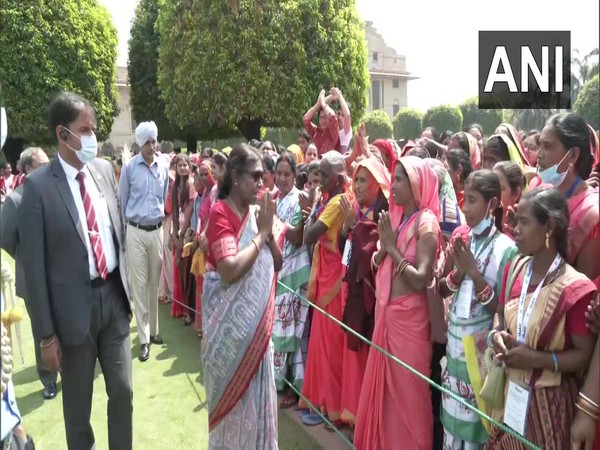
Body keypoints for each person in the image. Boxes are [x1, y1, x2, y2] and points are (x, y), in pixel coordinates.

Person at [19, 91, 132, 450]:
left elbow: (117, 232)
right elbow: (34, 269)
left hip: (112, 301)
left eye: (94, 129)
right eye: (85, 130)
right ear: (62, 135)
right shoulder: (37, 188)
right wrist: (46, 337)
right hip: (72, 317)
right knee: (78, 410)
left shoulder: (102, 170)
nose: (93, 138)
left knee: (123, 392)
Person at [488, 187, 597, 449]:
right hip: (509, 397)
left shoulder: (574, 289)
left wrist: (536, 359)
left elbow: (584, 355)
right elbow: (500, 314)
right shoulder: (515, 269)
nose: (515, 229)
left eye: (524, 222)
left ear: (549, 227)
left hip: (550, 410)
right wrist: (497, 334)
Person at [355, 156, 441, 450]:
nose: (394, 184)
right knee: (387, 399)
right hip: (387, 315)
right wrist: (382, 253)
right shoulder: (398, 216)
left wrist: (391, 249)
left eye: (401, 179)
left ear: (418, 184)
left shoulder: (427, 223)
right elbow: (381, 260)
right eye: (394, 177)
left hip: (410, 322)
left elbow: (421, 279)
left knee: (410, 399)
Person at [202, 144, 282, 449]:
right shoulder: (220, 212)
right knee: (231, 421)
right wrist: (260, 235)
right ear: (236, 177)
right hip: (228, 341)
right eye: (255, 177)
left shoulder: (256, 213)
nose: (261, 184)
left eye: (263, 177)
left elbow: (276, 263)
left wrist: (268, 231)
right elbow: (229, 270)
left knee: (259, 413)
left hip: (257, 338)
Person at [438, 170, 518, 449]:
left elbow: (505, 311)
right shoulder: (462, 239)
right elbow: (440, 290)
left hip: (481, 356)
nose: (465, 207)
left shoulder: (507, 249)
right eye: (464, 199)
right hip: (454, 349)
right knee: (451, 430)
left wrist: (475, 273)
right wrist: (458, 275)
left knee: (476, 434)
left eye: (472, 200)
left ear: (492, 204)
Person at [337, 156, 390, 427]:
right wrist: (348, 226)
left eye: (362, 180)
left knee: (367, 360)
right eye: (355, 179)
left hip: (371, 301)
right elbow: (344, 252)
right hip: (353, 295)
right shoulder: (358, 211)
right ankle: (353, 415)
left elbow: (367, 259)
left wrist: (353, 227)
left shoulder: (383, 214)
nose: (356, 186)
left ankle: (366, 422)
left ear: (378, 184)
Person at [0, 147, 54, 399]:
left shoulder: (54, 192)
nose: (49, 166)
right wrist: (26, 260)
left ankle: (68, 369)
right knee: (42, 329)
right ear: (29, 169)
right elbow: (6, 239)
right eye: (43, 164)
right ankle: (48, 379)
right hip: (32, 280)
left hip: (59, 275)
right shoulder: (16, 200)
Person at [298, 151, 347, 427]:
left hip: (333, 281)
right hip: (326, 277)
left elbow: (309, 234)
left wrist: (315, 204)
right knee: (322, 345)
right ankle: (324, 403)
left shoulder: (337, 201)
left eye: (326, 176)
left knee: (330, 348)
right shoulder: (332, 199)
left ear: (339, 178)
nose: (320, 180)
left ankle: (334, 408)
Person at [120, 121, 168, 362]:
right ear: (140, 143)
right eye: (147, 142)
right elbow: (123, 201)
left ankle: (154, 330)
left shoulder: (164, 167)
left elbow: (164, 197)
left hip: (156, 230)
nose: (152, 145)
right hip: (136, 230)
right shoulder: (129, 168)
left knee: (153, 282)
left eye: (153, 140)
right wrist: (124, 234)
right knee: (139, 284)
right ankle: (143, 339)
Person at [533, 112, 599, 284]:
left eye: (547, 146)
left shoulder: (592, 214)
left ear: (573, 155)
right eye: (539, 145)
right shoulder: (541, 195)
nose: (538, 154)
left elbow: (582, 288)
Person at [272, 153, 311, 408]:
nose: (283, 178)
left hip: (296, 274)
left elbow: (298, 237)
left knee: (295, 333)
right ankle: (281, 381)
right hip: (280, 273)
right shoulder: (275, 199)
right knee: (281, 331)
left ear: (295, 176)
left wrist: (276, 222)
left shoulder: (298, 200)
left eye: (287, 174)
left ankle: (296, 389)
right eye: (279, 174)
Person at [170, 154, 197, 325]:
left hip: (187, 235)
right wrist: (173, 233)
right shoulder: (175, 187)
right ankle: (182, 308)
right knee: (179, 270)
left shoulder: (191, 186)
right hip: (178, 232)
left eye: (185, 165)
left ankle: (189, 313)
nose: (182, 168)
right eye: (179, 165)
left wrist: (180, 236)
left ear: (189, 167)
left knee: (187, 274)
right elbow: (174, 210)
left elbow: (188, 213)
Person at [190, 160, 214, 338]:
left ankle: (211, 328)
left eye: (207, 173)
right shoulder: (205, 191)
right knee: (202, 285)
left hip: (212, 244)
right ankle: (203, 326)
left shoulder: (217, 191)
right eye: (201, 174)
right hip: (201, 241)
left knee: (210, 286)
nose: (204, 177)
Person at [492, 161, 525, 236]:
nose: (491, 192)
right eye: (490, 187)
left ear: (516, 193)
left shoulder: (525, 230)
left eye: (499, 188)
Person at [303, 90, 341, 156]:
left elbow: (332, 116)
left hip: (327, 165)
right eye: (321, 118)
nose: (323, 121)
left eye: (325, 118)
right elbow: (306, 120)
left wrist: (323, 103)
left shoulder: (332, 132)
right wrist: (317, 104)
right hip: (314, 164)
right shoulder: (316, 131)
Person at [331, 87, 352, 153]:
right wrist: (332, 96)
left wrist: (340, 95)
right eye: (338, 114)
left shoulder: (346, 131)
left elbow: (347, 115)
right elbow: (322, 105)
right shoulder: (333, 128)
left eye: (343, 115)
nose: (339, 117)